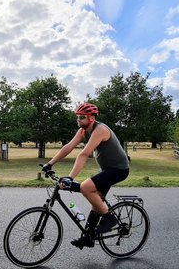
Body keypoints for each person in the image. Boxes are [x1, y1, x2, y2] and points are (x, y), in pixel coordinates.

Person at [41, 103, 130, 249]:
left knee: (86, 187)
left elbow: (84, 154)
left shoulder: (100, 129)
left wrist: (70, 178)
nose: (79, 120)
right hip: (107, 170)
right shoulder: (83, 131)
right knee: (96, 202)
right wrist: (50, 164)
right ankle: (88, 238)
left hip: (118, 170)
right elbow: (68, 147)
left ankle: (109, 218)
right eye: (77, 117)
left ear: (92, 118)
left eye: (82, 117)